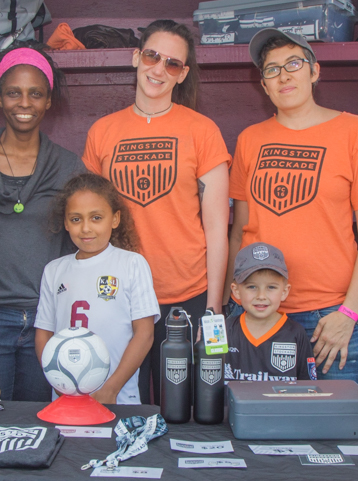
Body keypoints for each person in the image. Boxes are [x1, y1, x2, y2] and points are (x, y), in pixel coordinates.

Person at [226, 29, 358, 389]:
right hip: (257, 313)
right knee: (251, 431)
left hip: (327, 320)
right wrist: (231, 303)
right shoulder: (250, 140)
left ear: (314, 72)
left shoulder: (355, 132)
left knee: (332, 435)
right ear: (263, 85)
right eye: (272, 70)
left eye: (293, 63)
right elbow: (239, 230)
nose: (284, 75)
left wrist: (348, 313)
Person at [82, 19, 231, 403]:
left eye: (173, 64)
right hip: (120, 297)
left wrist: (213, 309)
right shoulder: (102, 131)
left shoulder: (203, 131)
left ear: (182, 75)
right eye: (152, 56)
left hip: (187, 293)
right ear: (136, 57)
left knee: (185, 414)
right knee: (125, 409)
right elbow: (90, 222)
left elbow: (217, 228)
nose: (159, 70)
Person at [0, 42, 84, 401]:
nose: (24, 103)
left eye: (35, 94)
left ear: (48, 100)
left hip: (47, 318)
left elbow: (88, 241)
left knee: (36, 423)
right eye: (13, 93)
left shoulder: (68, 166)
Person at [34, 174, 160, 405]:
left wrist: (111, 389)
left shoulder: (132, 264)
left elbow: (144, 334)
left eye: (96, 218)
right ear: (65, 222)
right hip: (66, 399)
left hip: (118, 397)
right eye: (75, 219)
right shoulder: (54, 270)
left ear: (115, 219)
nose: (85, 228)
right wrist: (59, 384)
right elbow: (44, 334)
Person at [224, 242, 316, 383]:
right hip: (234, 406)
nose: (261, 295)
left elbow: (307, 387)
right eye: (252, 287)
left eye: (271, 287)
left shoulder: (296, 333)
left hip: (280, 406)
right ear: (236, 291)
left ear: (284, 292)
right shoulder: (224, 330)